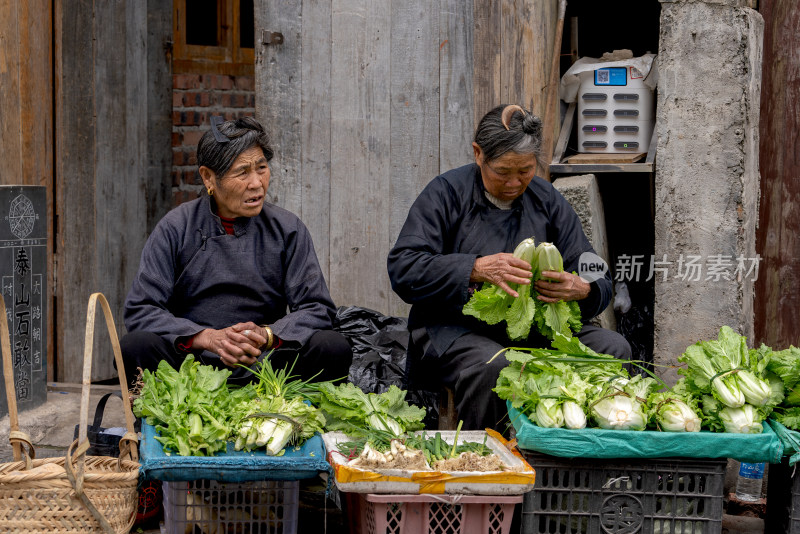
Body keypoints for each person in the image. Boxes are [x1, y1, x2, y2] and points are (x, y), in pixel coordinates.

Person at [387, 104, 631, 431]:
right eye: (503, 171)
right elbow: (404, 267)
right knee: (496, 365)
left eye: (526, 170)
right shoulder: (445, 194)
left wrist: (584, 288)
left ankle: (581, 458)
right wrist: (473, 268)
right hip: (455, 330)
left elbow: (592, 266)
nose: (515, 182)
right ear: (478, 154)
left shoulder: (546, 199)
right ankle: (488, 460)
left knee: (613, 348)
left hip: (534, 331)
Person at [122, 116, 352, 385]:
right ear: (208, 177)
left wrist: (267, 335)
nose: (256, 183)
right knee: (136, 346)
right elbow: (141, 310)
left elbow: (318, 308)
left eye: (262, 167)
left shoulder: (288, 229)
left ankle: (289, 415)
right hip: (193, 368)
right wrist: (206, 338)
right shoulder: (176, 228)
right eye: (242, 172)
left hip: (266, 365)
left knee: (331, 346)